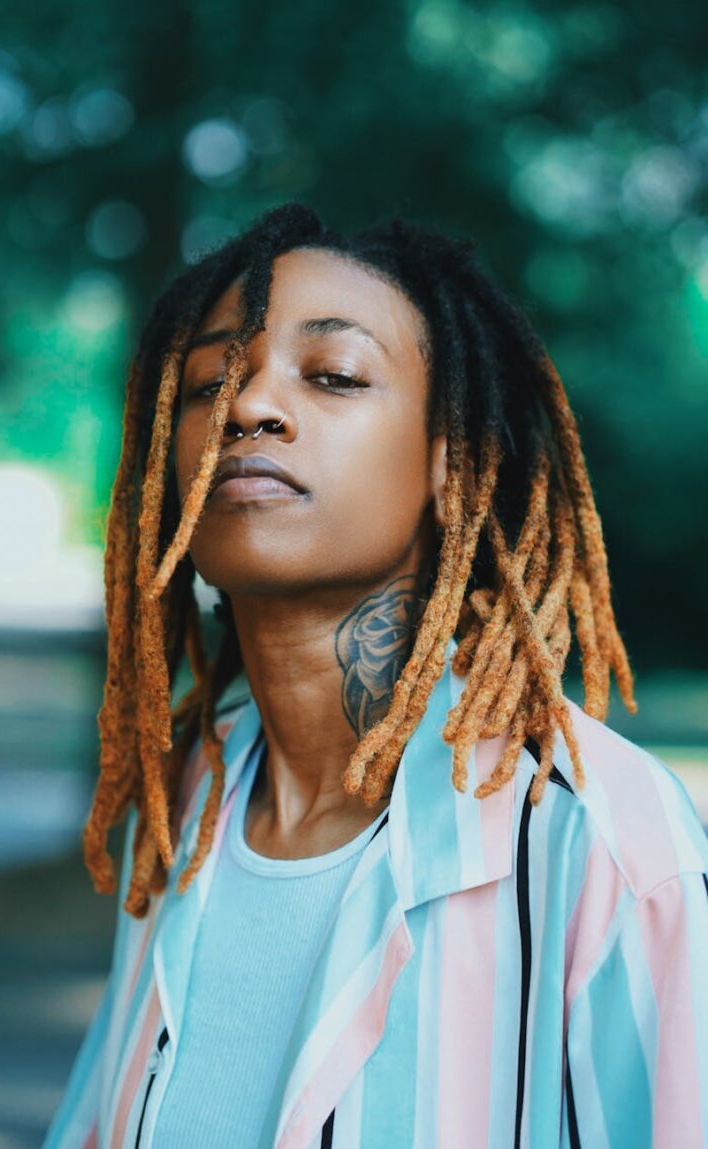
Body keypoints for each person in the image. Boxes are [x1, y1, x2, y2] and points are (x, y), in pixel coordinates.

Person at [44, 203, 708, 1149]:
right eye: (207, 382)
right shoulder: (184, 805)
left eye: (335, 375)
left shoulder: (600, 843)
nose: (248, 406)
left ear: (452, 463)